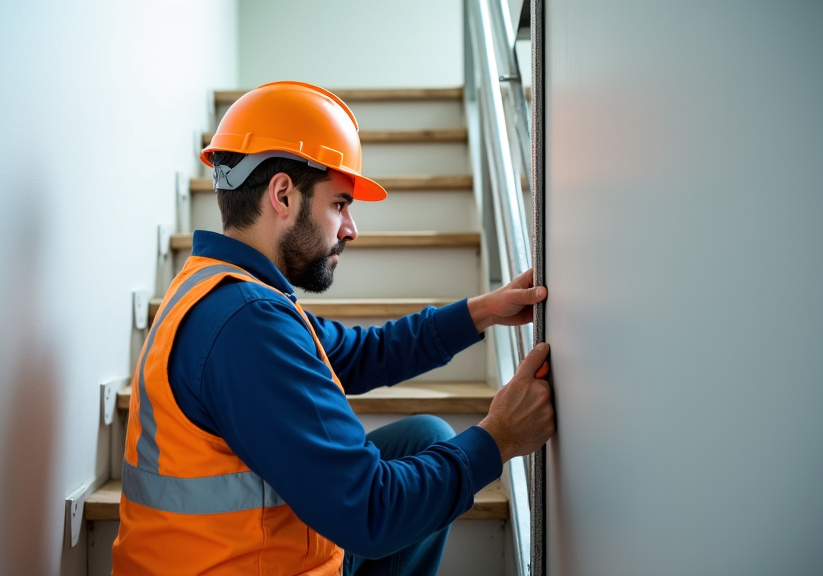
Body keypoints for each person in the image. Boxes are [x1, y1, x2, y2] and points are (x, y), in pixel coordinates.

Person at [111, 81, 555, 576]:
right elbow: (371, 511)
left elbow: (361, 353)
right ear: (283, 194)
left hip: (242, 548)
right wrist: (499, 438)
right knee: (409, 481)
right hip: (242, 567)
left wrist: (483, 311)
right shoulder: (247, 324)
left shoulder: (218, 287)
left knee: (425, 437)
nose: (351, 229)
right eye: (340, 204)